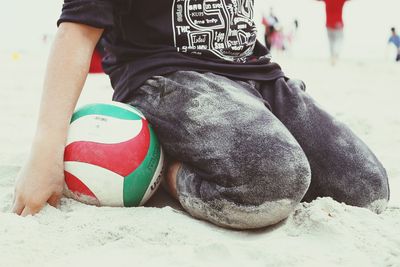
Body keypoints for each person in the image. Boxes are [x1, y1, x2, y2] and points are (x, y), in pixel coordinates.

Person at [13, 0, 389, 229]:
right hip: (167, 77)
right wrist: (46, 150)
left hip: (254, 73)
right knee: (273, 181)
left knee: (366, 189)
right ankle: (172, 170)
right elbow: (77, 31)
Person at [317, 0, 349, 65]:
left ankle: (332, 56)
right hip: (338, 23)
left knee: (331, 42)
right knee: (339, 39)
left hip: (328, 23)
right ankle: (335, 55)